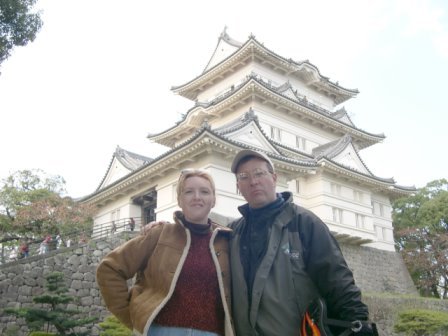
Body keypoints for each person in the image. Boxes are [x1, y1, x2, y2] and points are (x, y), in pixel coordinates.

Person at [229, 149, 376, 336]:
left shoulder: (304, 223)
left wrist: (358, 323)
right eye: (244, 176)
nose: (253, 181)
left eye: (259, 173)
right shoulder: (233, 232)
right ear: (238, 185)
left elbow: (336, 279)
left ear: (274, 178)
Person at [96, 169, 234, 336]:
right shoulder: (159, 234)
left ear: (213, 200)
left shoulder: (227, 241)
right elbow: (109, 268)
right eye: (188, 191)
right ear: (179, 200)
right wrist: (133, 316)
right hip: (159, 331)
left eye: (204, 192)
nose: (197, 197)